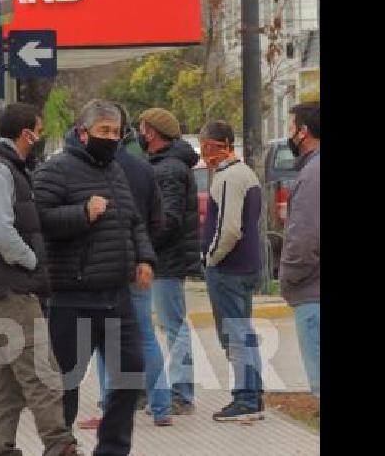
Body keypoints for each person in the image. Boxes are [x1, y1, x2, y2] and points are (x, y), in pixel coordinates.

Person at [33, 99, 156, 455]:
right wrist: (82, 213)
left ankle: (113, 449)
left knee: (130, 375)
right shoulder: (55, 170)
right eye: (104, 131)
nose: (111, 138)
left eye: (116, 132)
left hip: (117, 295)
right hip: (74, 297)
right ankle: (59, 447)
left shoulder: (115, 170)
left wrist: (144, 258)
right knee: (66, 385)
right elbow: (39, 221)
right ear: (83, 132)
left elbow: (133, 221)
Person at [0, 102, 79, 456]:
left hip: (1, 286)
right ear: (25, 133)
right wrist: (30, 260)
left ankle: (1, 448)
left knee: (6, 380)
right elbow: (0, 230)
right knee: (40, 371)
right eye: (38, 130)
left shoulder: (9, 168)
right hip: (11, 287)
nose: (40, 137)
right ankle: (60, 445)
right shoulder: (1, 171)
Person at [72, 101, 170, 430]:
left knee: (104, 340)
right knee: (145, 336)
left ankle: (108, 408)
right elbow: (158, 219)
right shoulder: (144, 169)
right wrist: (145, 255)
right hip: (138, 266)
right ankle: (161, 405)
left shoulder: (94, 169)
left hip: (107, 266)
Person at [198, 121, 266, 422]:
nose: (204, 152)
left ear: (221, 144)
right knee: (244, 332)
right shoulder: (247, 173)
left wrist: (211, 257)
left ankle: (245, 398)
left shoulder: (228, 177)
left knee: (234, 334)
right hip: (248, 264)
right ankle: (254, 393)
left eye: (207, 145)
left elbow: (229, 229)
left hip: (229, 268)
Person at [137, 108, 202, 416]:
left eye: (141, 127)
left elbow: (169, 219)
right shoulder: (164, 165)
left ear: (151, 132)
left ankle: (180, 392)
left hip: (167, 260)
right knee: (168, 324)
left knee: (173, 325)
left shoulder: (169, 169)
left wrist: (145, 249)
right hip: (165, 258)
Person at [279, 101, 320, 399]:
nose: (288, 134)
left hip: (312, 291)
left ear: (303, 132)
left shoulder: (312, 174)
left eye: (290, 127)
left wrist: (289, 277)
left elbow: (305, 238)